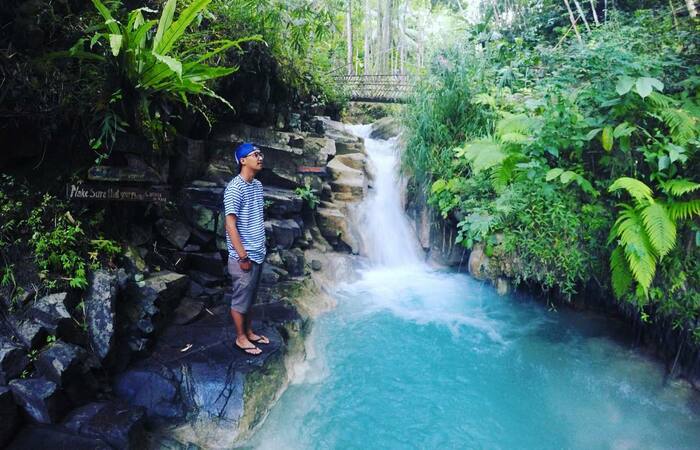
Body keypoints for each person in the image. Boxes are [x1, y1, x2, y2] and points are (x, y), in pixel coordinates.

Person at [224, 142, 269, 355]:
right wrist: (242, 255)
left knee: (250, 297)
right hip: (244, 256)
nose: (260, 158)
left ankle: (249, 332)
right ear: (243, 161)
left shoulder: (257, 186)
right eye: (254, 155)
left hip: (257, 253)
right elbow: (230, 224)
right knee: (240, 299)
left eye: (260, 154)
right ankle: (240, 338)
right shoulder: (235, 187)